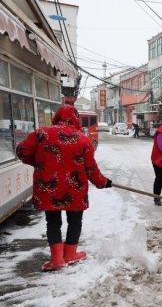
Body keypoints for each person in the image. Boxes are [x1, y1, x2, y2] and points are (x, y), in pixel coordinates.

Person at [16, 105, 112, 271]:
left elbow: (22, 151)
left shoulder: (41, 133)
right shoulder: (82, 139)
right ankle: (70, 254)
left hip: (48, 187)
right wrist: (103, 182)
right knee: (75, 220)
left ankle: (57, 259)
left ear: (56, 117)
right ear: (76, 119)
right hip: (74, 188)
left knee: (53, 221)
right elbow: (91, 169)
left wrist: (40, 162)